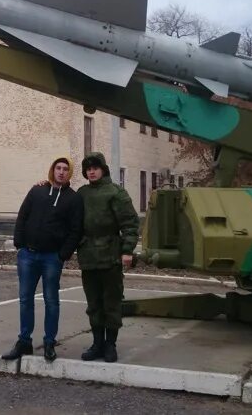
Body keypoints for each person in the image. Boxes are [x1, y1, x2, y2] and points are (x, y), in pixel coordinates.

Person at [2, 157, 83, 362]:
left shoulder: (73, 199)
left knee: (51, 301)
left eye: (65, 169)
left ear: (69, 173)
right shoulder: (37, 191)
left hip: (51, 258)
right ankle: (24, 342)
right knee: (25, 299)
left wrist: (63, 254)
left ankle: (49, 342)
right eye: (58, 168)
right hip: (28, 255)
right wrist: (19, 244)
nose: (61, 172)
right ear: (52, 170)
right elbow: (22, 216)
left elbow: (76, 230)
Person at [76, 152, 139, 363]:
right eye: (88, 168)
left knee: (111, 303)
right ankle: (97, 344)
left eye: (95, 167)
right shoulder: (82, 193)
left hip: (111, 257)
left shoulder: (116, 193)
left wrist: (127, 250)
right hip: (88, 257)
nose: (91, 171)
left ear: (103, 169)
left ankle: (110, 345)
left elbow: (130, 224)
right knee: (93, 303)